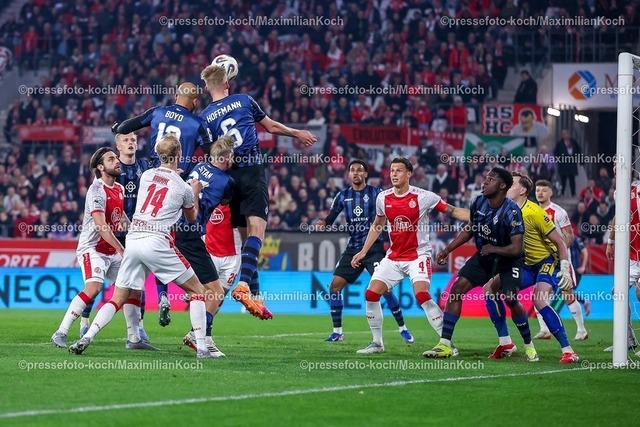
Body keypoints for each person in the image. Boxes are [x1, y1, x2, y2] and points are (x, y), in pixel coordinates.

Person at [69, 135, 217, 358]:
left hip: (133, 239)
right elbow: (192, 217)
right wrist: (194, 191)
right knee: (197, 291)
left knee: (118, 298)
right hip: (156, 240)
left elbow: (159, 185)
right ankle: (203, 349)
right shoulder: (183, 187)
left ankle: (87, 337)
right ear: (179, 154)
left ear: (158, 155)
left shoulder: (147, 175)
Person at [200, 63, 316, 320]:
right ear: (228, 83)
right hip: (251, 171)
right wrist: (296, 133)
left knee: (244, 241)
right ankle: (243, 286)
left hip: (227, 177)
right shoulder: (244, 100)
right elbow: (271, 127)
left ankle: (255, 295)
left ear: (208, 88)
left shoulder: (205, 116)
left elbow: (210, 153)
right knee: (257, 232)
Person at [112, 82, 213, 325]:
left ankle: (156, 302)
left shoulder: (157, 112)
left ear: (176, 95)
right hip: (177, 183)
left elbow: (126, 127)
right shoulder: (198, 123)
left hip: (150, 178)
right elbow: (212, 154)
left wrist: (117, 128)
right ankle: (182, 292)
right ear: (195, 102)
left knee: (149, 236)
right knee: (168, 239)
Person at [351, 158, 470, 354]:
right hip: (393, 257)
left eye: (399, 170)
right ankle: (377, 343)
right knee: (371, 294)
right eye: (392, 170)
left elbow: (453, 211)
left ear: (408, 174)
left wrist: (481, 216)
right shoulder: (383, 198)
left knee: (422, 295)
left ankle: (447, 343)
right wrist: (363, 251)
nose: (394, 174)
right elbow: (377, 225)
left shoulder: (423, 197)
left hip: (418, 256)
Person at [423, 167, 531, 360]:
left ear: (502, 186)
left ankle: (529, 345)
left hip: (508, 260)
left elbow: (516, 249)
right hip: (484, 257)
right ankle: (445, 344)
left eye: (491, 179)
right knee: (457, 289)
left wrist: (493, 248)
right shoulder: (478, 202)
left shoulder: (512, 211)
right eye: (485, 178)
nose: (485, 181)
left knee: (510, 298)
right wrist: (448, 250)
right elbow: (470, 229)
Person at [52, 147, 154, 351]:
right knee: (94, 288)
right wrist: (123, 249)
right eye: (111, 159)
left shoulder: (119, 188)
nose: (117, 161)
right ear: (100, 167)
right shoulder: (96, 190)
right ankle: (61, 332)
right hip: (93, 249)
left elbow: (120, 216)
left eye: (116, 158)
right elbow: (101, 227)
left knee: (134, 288)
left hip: (110, 251)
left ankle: (134, 338)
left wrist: (137, 230)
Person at [481, 172, 579, 363]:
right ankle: (505, 342)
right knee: (489, 289)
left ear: (522, 190)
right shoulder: (503, 209)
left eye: (511, 184)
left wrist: (565, 267)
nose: (506, 186)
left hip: (547, 262)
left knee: (539, 300)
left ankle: (568, 350)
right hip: (524, 264)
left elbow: (560, 241)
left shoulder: (534, 212)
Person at [316, 160, 414, 343]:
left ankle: (403, 328)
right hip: (353, 248)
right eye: (352, 170)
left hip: (374, 249)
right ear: (348, 174)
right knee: (334, 287)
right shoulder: (342, 196)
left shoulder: (377, 194)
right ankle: (337, 332)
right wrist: (324, 223)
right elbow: (330, 218)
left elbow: (390, 213)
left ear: (366, 174)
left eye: (359, 170)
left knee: (384, 289)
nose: (355, 173)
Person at [79, 133, 151, 341]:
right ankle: (84, 320)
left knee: (136, 282)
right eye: (126, 140)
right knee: (96, 282)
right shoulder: (110, 170)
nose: (131, 143)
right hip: (110, 231)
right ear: (118, 146)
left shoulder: (144, 167)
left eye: (133, 140)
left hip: (133, 231)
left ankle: (138, 327)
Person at [172, 135, 236, 357]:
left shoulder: (199, 166)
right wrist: (198, 195)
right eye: (232, 156)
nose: (233, 160)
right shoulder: (227, 182)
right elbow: (224, 202)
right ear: (226, 158)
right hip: (190, 234)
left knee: (202, 290)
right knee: (216, 292)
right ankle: (201, 337)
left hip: (174, 229)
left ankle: (199, 334)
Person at [533, 180, 588, 340]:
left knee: (567, 294)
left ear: (551, 192)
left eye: (544, 190)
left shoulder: (559, 212)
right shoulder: (532, 211)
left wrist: (561, 251)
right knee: (539, 293)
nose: (540, 193)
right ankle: (544, 330)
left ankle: (581, 330)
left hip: (560, 260)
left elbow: (569, 235)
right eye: (538, 190)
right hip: (541, 260)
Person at [604, 179, 640, 354]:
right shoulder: (619, 191)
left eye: (618, 165)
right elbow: (617, 217)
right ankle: (627, 341)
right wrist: (610, 241)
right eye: (614, 166)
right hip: (633, 256)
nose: (615, 168)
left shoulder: (638, 188)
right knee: (618, 292)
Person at [554, 129, 582, 198]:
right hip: (563, 164)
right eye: (563, 134)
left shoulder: (573, 142)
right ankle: (562, 193)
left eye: (566, 134)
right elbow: (556, 153)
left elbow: (578, 151)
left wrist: (581, 161)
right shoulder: (560, 143)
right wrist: (558, 160)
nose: (565, 135)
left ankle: (573, 193)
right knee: (563, 180)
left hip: (572, 164)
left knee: (572, 180)